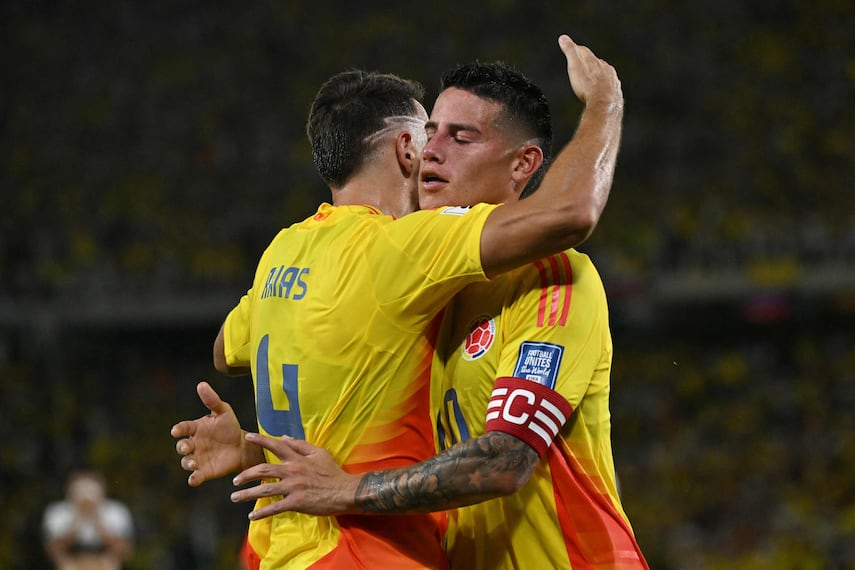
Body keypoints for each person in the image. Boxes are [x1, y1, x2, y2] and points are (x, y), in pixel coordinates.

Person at [173, 33, 622, 569]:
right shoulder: (425, 290)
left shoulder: (552, 279)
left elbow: (504, 462)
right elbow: (370, 423)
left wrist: (605, 102)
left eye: (461, 137)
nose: (432, 150)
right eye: (430, 132)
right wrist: (258, 450)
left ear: (523, 165)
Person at [42, 470, 134, 570]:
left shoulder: (116, 511)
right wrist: (77, 519)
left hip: (105, 562)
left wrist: (97, 520)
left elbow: (125, 551)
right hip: (71, 563)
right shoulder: (58, 512)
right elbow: (52, 550)